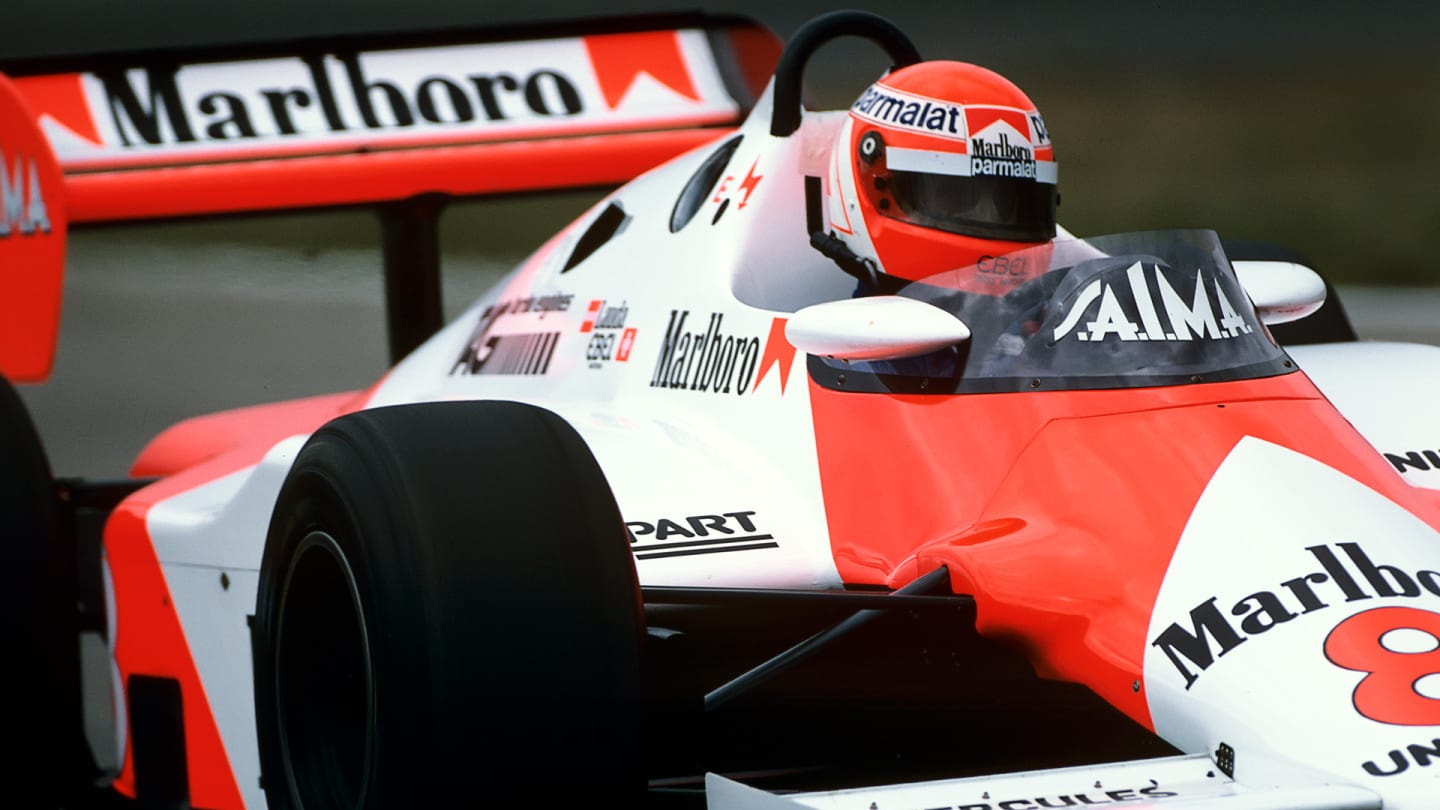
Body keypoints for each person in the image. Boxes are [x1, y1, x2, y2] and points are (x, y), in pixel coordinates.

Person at [812, 60, 1060, 297]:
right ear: (877, 186)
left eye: (1010, 203)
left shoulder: (1038, 327)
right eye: (958, 196)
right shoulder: (839, 339)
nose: (989, 215)